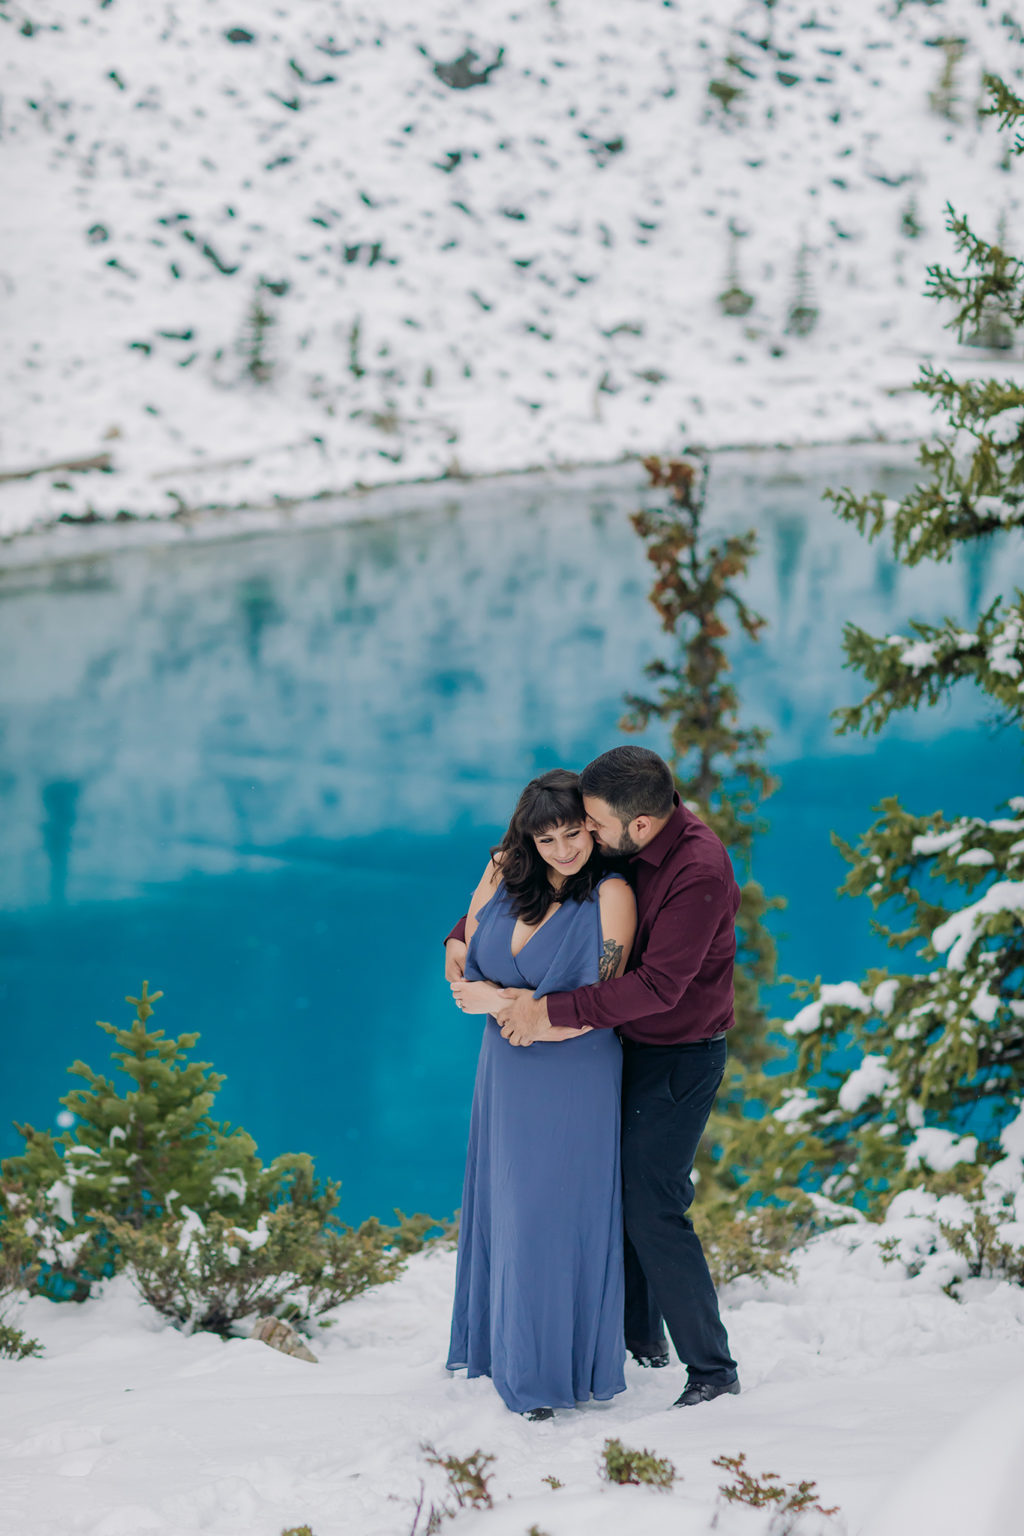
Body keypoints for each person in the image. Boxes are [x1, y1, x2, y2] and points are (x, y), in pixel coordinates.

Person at [445, 745, 741, 1407]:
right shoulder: (622, 839)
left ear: (633, 827)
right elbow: (520, 871)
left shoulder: (697, 869)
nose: (583, 838)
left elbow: (660, 986)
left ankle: (713, 1370)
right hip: (618, 1042)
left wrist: (541, 1011)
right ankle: (639, 1339)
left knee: (651, 1203)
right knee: (609, 1193)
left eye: (591, 827)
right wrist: (458, 936)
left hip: (678, 1051)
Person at [444, 768, 637, 1421]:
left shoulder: (612, 894)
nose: (562, 849)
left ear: (591, 827)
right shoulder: (503, 871)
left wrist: (501, 1000)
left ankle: (552, 1372)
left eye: (573, 833)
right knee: (508, 1206)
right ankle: (508, 1353)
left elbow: (604, 1004)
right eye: (546, 836)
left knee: (553, 1215)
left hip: (575, 1070)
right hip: (505, 1067)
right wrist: (481, 984)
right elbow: (466, 954)